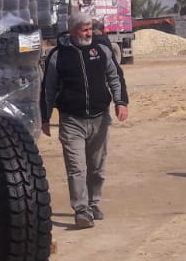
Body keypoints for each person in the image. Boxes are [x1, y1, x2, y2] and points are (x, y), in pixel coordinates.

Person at [40, 14, 129, 228]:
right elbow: (48, 88)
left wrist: (120, 102)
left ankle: (93, 202)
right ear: (72, 31)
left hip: (100, 119)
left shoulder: (101, 50)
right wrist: (45, 117)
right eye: (84, 30)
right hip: (71, 121)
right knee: (76, 168)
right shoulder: (58, 56)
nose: (89, 33)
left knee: (97, 167)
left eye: (90, 29)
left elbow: (115, 77)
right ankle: (81, 210)